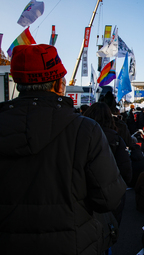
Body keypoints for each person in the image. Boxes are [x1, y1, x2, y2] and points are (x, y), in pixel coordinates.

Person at [0, 44, 126, 254]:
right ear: (59, 85)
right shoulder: (85, 130)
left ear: (18, 83)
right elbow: (108, 198)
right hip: (73, 244)